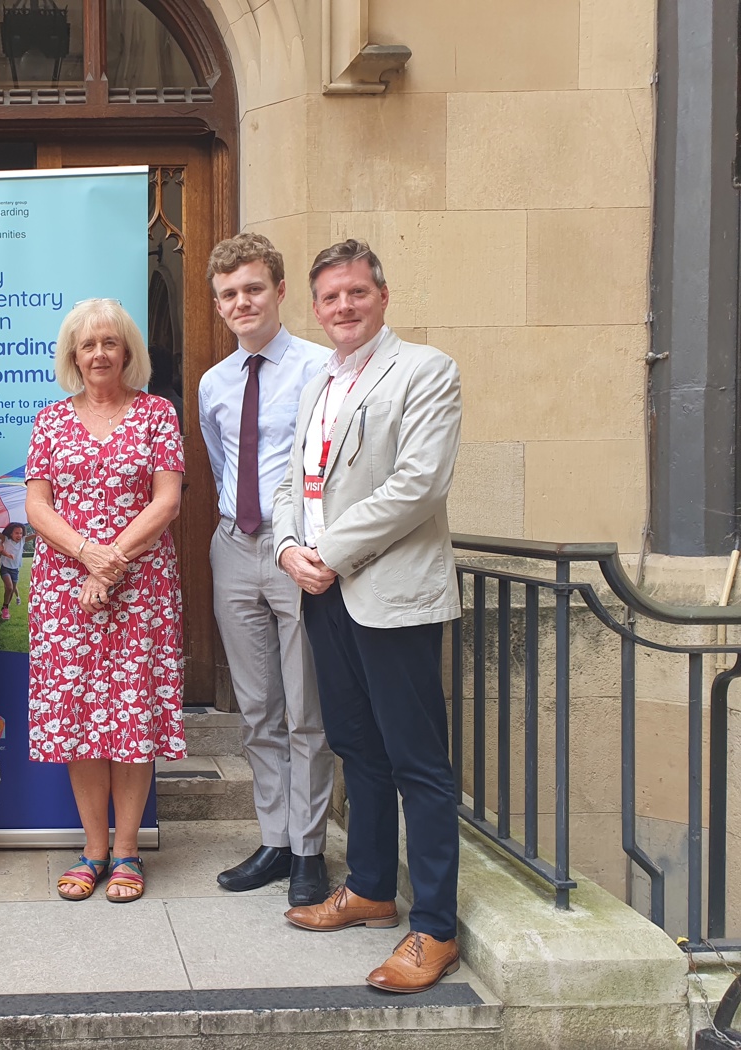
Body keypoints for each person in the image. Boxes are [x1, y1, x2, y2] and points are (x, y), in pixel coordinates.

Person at [274, 239, 463, 994]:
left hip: (392, 594)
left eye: (356, 293)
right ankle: (374, 889)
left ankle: (436, 929)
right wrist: (290, 547)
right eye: (329, 298)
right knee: (357, 746)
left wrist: (329, 549)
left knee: (419, 760)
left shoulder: (424, 370)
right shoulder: (318, 380)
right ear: (315, 308)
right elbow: (293, 480)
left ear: (382, 296)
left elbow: (420, 483)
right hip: (323, 589)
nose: (343, 307)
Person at [24, 298, 186, 904]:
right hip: (67, 591)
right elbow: (37, 506)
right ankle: (92, 850)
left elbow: (166, 502)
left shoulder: (156, 415)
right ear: (73, 355)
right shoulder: (50, 422)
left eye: (109, 343)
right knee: (81, 720)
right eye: (87, 345)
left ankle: (127, 852)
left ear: (127, 352)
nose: (98, 354)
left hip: (140, 589)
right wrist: (88, 555)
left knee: (130, 715)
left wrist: (110, 561)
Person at [198, 233, 335, 906]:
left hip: (298, 553)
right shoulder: (214, 383)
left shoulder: (321, 368)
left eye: (252, 288)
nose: (241, 302)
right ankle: (275, 841)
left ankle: (310, 851)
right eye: (228, 294)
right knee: (258, 711)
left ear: (280, 292)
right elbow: (223, 467)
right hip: (234, 547)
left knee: (306, 711)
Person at [0, 523, 26, 619]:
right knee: (9, 587)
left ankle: (5, 607)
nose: (19, 535)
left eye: (21, 533)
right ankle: (5, 609)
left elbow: (36, 535)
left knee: (12, 590)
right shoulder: (6, 540)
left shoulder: (23, 541)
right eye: (16, 533)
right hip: (5, 568)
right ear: (11, 534)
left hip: (15, 569)